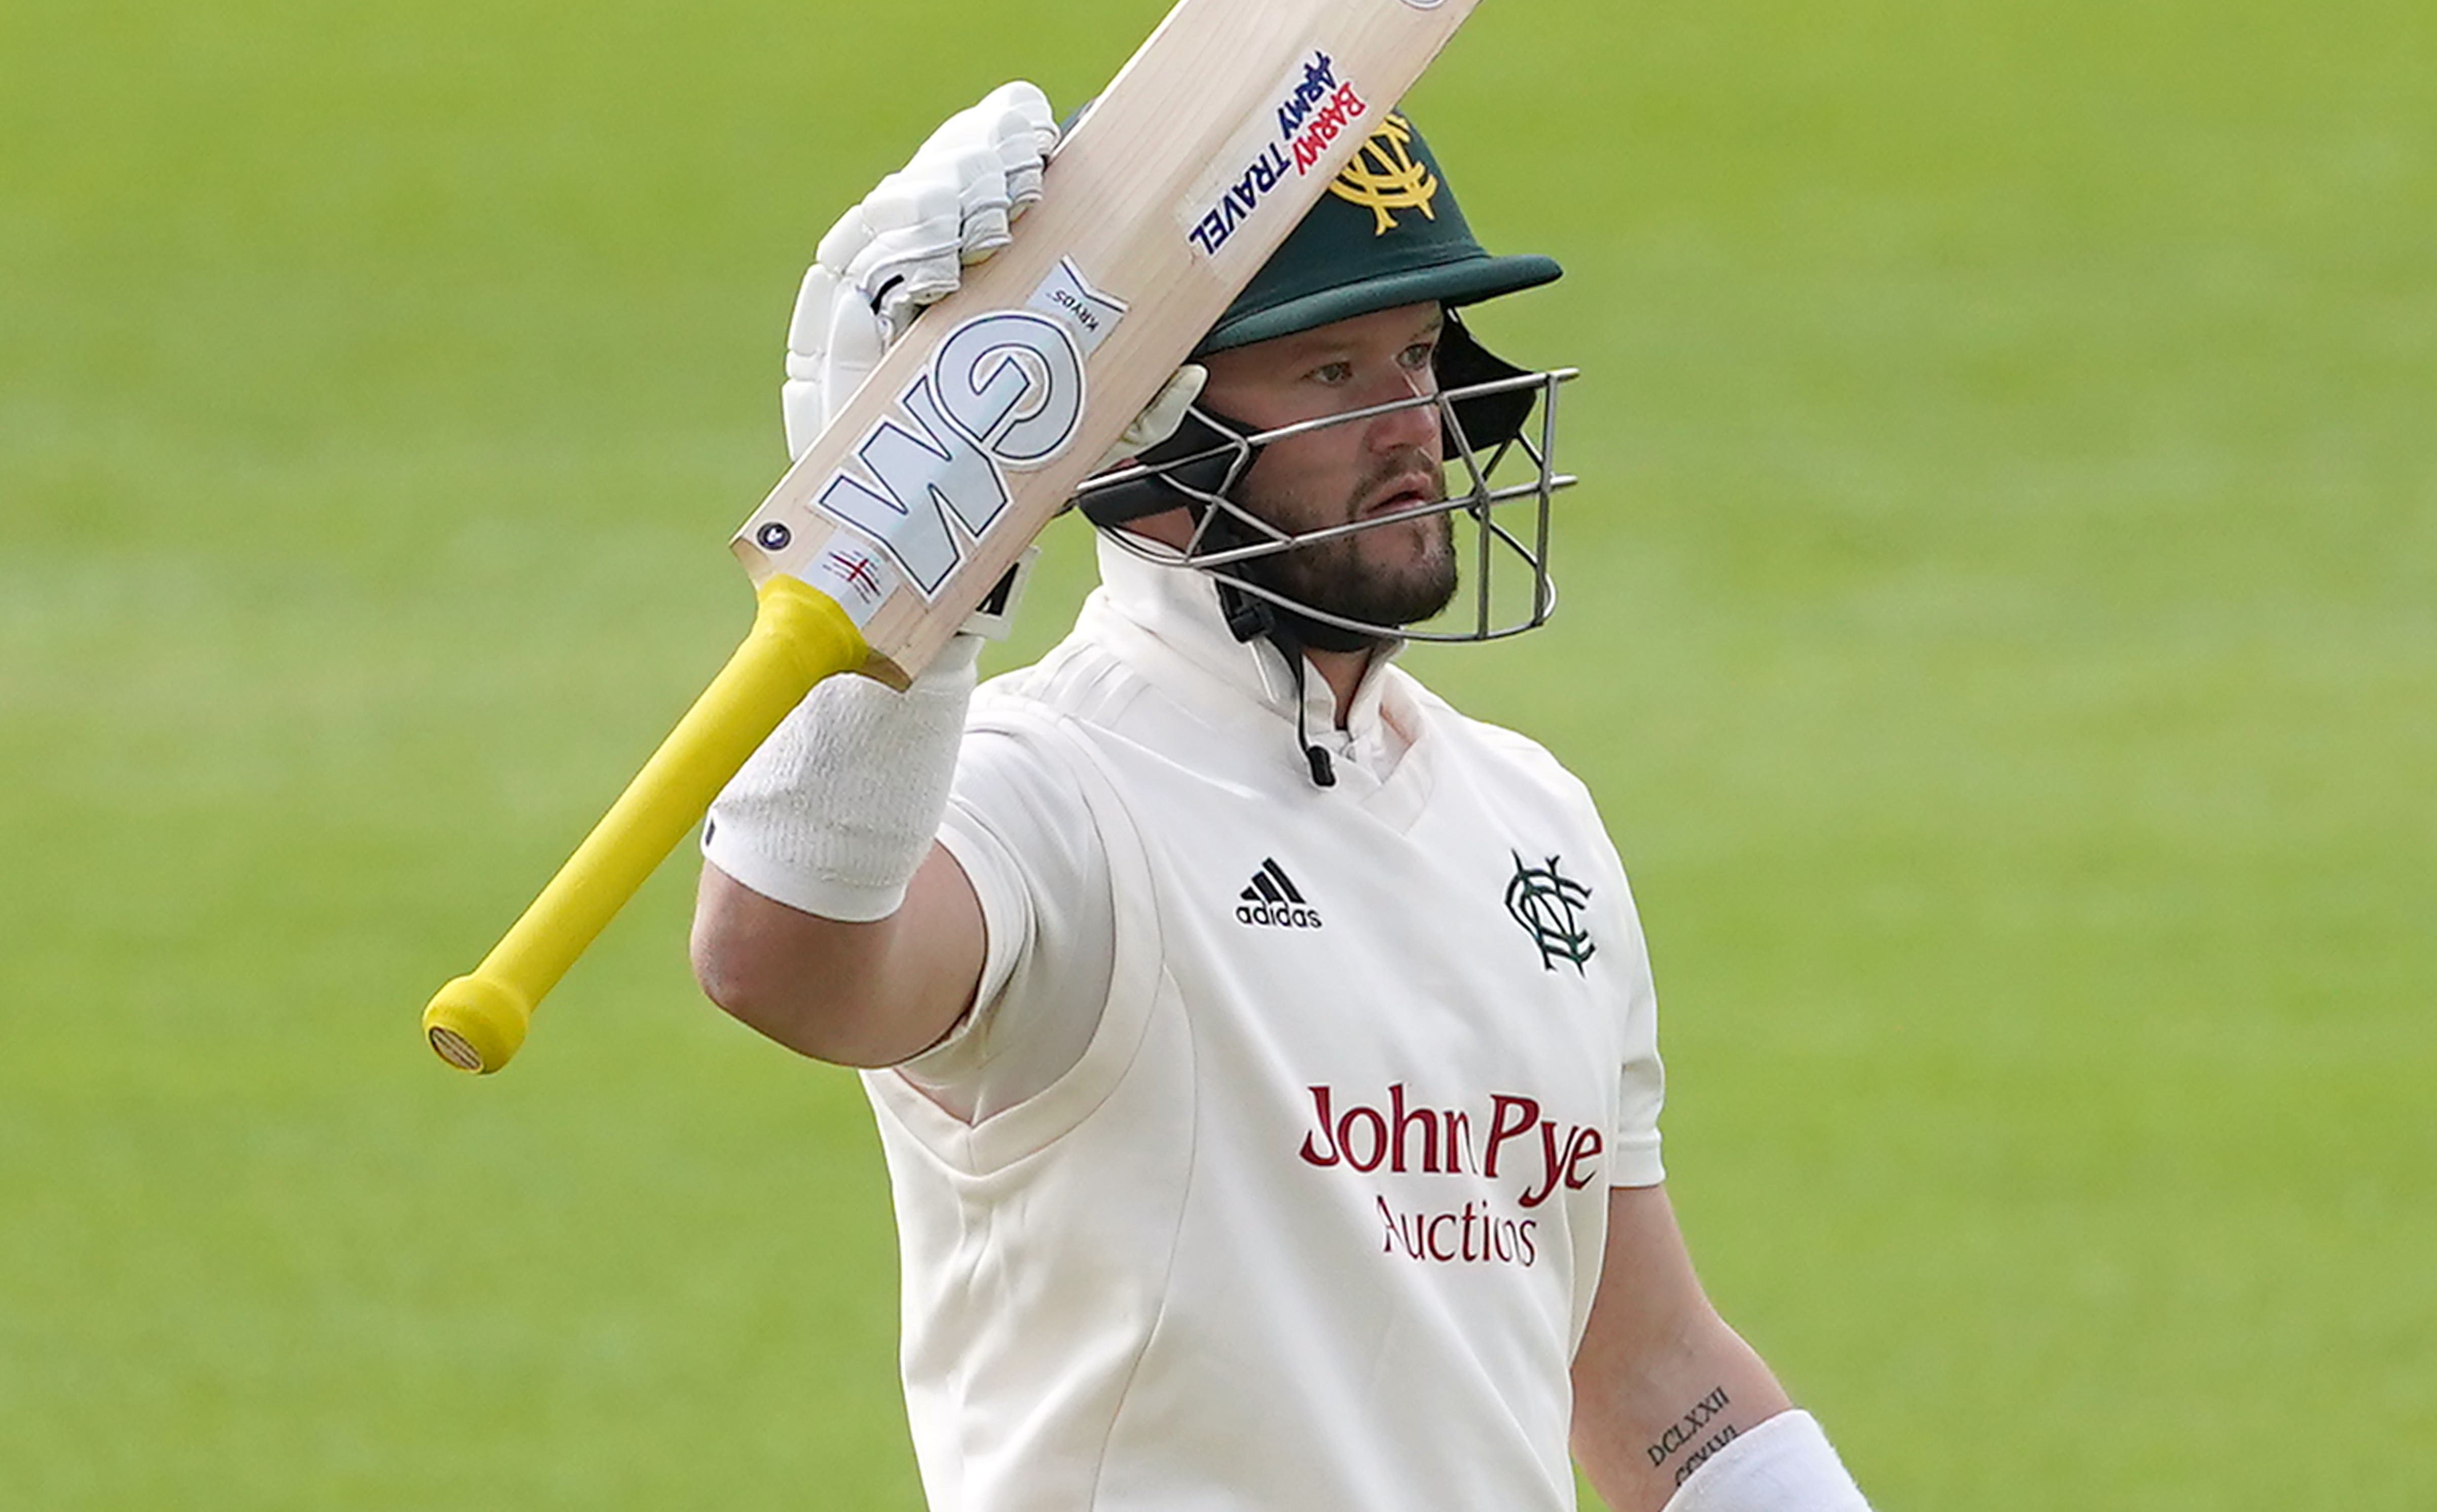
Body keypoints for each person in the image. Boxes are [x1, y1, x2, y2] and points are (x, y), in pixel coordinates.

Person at [692, 84, 1873, 1512]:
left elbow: (1643, 1367)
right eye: (1329, 373)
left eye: (1419, 354)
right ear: (1142, 436)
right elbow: (784, 966)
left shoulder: (1531, 819)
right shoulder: (1044, 791)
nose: (1414, 424)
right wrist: (901, 585)